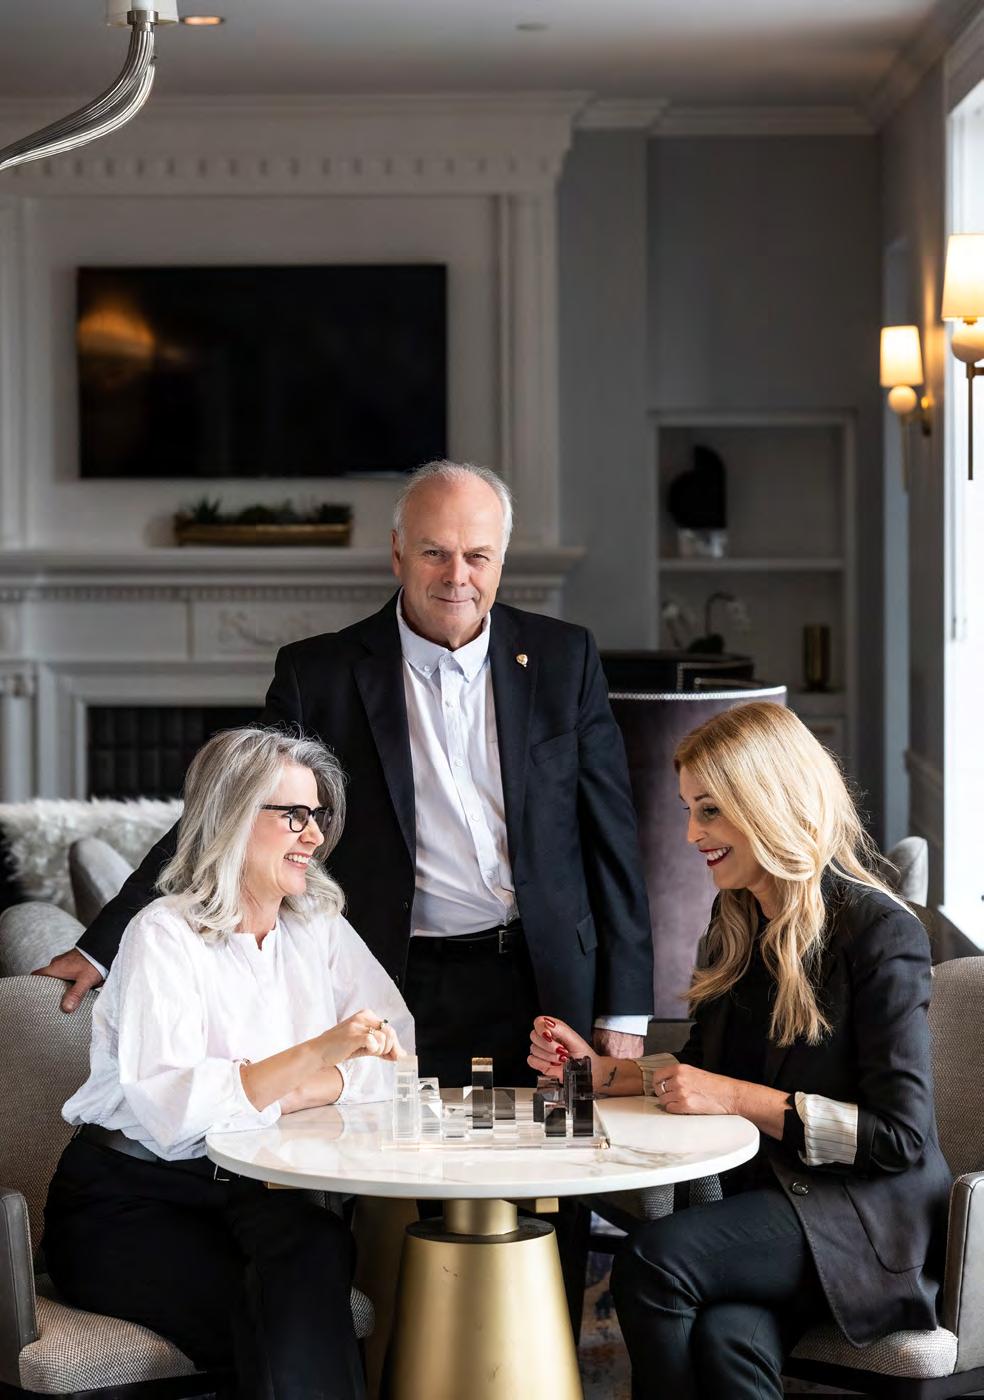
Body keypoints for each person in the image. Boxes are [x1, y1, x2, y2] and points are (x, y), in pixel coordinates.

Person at [37, 460, 654, 1085]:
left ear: (501, 559)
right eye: (434, 552)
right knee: (397, 1144)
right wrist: (101, 946)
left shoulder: (564, 657)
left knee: (555, 1149)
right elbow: (224, 814)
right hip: (393, 979)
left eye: (477, 556)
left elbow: (612, 838)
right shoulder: (319, 676)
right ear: (397, 553)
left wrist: (625, 1008)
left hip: (547, 978)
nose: (457, 576)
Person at [528, 701, 952, 1400]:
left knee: (653, 1263)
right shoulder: (738, 918)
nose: (691, 833)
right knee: (729, 1342)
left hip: (866, 1220)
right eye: (690, 810)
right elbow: (702, 1066)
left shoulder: (880, 933)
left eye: (710, 811)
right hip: (779, 1203)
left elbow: (899, 1138)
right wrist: (601, 1073)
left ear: (768, 802)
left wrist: (735, 1098)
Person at [43, 727, 413, 1400]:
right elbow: (178, 1110)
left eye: (318, 815)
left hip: (251, 1190)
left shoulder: (317, 925)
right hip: (129, 1202)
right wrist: (320, 1055)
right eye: (294, 815)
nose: (315, 835)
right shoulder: (163, 934)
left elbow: (396, 1053)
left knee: (318, 1245)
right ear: (232, 816)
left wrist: (288, 1087)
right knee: (273, 1314)